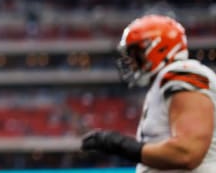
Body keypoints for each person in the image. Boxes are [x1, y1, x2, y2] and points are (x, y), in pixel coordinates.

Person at [81, 14, 216, 172]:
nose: (130, 61)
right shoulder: (165, 81)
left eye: (135, 53)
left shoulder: (182, 73)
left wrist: (121, 145)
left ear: (158, 47)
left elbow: (187, 153)